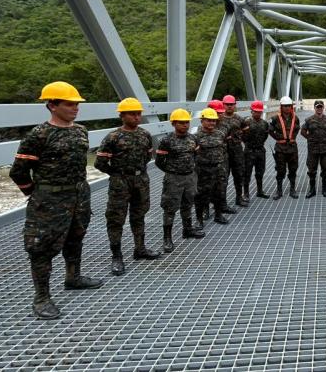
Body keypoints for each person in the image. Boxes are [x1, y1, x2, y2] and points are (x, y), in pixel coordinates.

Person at [10, 81, 104, 320]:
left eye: (77, 104)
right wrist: (37, 194)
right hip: (50, 198)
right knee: (42, 247)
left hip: (79, 194)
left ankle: (73, 277)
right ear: (52, 105)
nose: (75, 108)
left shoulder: (80, 131)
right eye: (69, 104)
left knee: (76, 236)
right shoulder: (38, 134)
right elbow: (18, 171)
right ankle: (41, 297)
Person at [95, 97, 160, 277]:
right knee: (116, 219)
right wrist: (117, 174)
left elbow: (148, 156)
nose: (136, 117)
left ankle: (140, 248)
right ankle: (117, 256)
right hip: (120, 183)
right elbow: (100, 163)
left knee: (139, 215)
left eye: (138, 114)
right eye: (132, 114)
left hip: (140, 181)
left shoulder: (145, 135)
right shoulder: (113, 137)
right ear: (122, 115)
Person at [156, 108, 204, 253]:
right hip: (173, 178)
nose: (185, 125)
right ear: (174, 123)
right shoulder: (166, 140)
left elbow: (196, 155)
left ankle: (187, 229)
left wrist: (190, 169)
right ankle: (167, 238)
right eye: (181, 123)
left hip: (189, 176)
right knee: (170, 207)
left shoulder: (192, 138)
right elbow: (159, 161)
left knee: (188, 203)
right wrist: (171, 171)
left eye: (187, 122)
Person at [194, 108, 229, 228]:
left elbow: (223, 148)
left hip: (218, 168)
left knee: (219, 192)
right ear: (202, 121)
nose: (212, 123)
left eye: (214, 121)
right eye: (209, 120)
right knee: (201, 195)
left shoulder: (220, 134)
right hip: (203, 170)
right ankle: (199, 219)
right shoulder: (196, 137)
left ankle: (218, 215)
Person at [301, 100, 326, 198]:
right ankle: (312, 190)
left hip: (325, 149)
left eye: (321, 107)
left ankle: (324, 189)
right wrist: (309, 138)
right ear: (315, 108)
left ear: (323, 107)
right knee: (311, 170)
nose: (319, 108)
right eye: (317, 107)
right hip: (313, 149)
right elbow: (302, 131)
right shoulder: (309, 120)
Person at [269, 96, 300, 199]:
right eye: (285, 106)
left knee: (293, 169)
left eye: (289, 106)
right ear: (281, 107)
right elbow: (270, 130)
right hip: (280, 148)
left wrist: (291, 137)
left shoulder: (296, 118)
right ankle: (279, 191)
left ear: (291, 107)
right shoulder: (275, 118)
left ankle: (292, 190)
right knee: (280, 170)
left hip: (292, 148)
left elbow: (297, 129)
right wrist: (279, 138)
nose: (287, 108)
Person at [219, 94, 247, 209]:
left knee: (238, 175)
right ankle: (223, 202)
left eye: (231, 104)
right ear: (223, 104)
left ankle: (239, 198)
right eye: (227, 104)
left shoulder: (239, 119)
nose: (229, 106)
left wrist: (239, 138)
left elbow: (245, 130)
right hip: (223, 152)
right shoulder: (219, 119)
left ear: (235, 105)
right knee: (223, 178)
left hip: (237, 151)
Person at [242, 100, 270, 200]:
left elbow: (265, 135)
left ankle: (260, 191)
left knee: (260, 172)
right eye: (255, 111)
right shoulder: (246, 122)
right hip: (249, 150)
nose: (258, 113)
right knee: (247, 173)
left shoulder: (265, 123)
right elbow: (242, 135)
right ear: (251, 111)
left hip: (260, 150)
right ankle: (245, 193)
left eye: (259, 112)